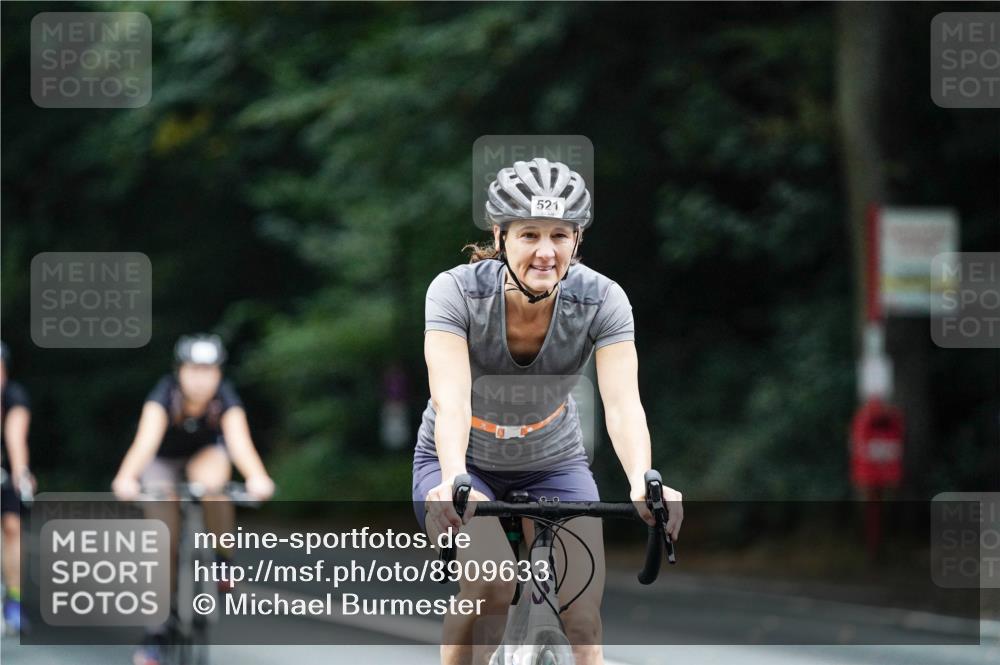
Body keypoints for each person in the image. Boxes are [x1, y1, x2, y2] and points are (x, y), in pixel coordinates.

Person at [413, 158, 684, 665]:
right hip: (462, 460)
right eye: (529, 234)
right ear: (500, 235)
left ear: (577, 240)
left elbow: (623, 403)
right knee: (490, 587)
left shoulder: (603, 299)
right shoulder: (454, 292)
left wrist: (641, 481)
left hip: (553, 462)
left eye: (560, 235)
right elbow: (451, 399)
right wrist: (452, 478)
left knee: (583, 624)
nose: (545, 251)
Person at [111, 334, 275, 665]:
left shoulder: (224, 399)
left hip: (204, 456)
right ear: (180, 371)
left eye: (210, 371)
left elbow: (239, 443)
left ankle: (222, 561)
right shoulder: (163, 396)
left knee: (215, 485)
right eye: (194, 370)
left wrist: (258, 477)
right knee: (160, 535)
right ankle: (157, 631)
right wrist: (126, 477)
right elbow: (145, 443)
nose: (202, 379)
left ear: (219, 374)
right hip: (163, 462)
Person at [0, 341, 34, 635]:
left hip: (5, 468)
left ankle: (14, 599)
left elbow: (15, 438)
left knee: (12, 527)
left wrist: (21, 473)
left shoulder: (14, 395)